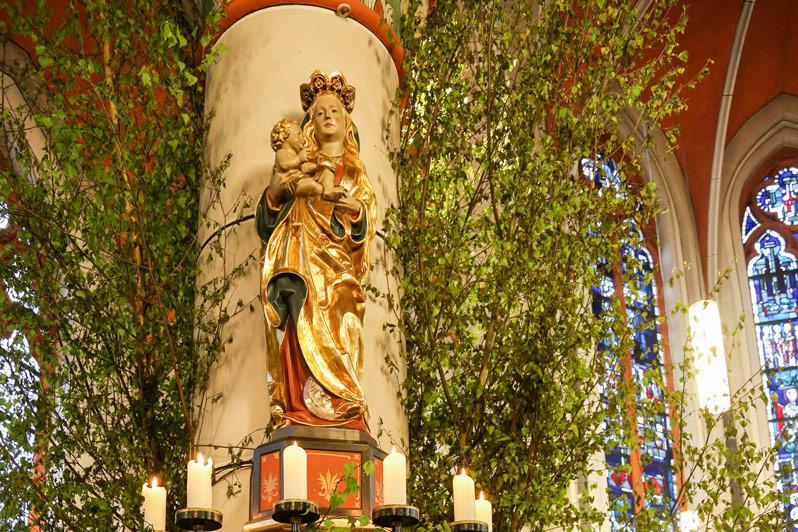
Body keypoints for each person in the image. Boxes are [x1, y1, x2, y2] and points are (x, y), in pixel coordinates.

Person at [256, 71, 376, 432]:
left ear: (345, 122)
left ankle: (343, 403)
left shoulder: (355, 170)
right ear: (309, 124)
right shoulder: (294, 166)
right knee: (295, 320)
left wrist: (353, 209)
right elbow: (267, 224)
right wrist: (276, 195)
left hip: (338, 268)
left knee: (343, 321)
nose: (327, 116)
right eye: (320, 111)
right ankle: (296, 406)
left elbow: (365, 221)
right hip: (299, 256)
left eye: (334, 111)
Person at [269, 118, 346, 202]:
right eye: (298, 134)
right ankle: (324, 192)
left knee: (326, 171)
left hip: (303, 179)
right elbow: (284, 164)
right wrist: (299, 159)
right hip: (293, 184)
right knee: (312, 185)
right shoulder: (282, 153)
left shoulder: (297, 154)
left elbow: (305, 167)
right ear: (284, 137)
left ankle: (328, 190)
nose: (303, 138)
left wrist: (318, 167)